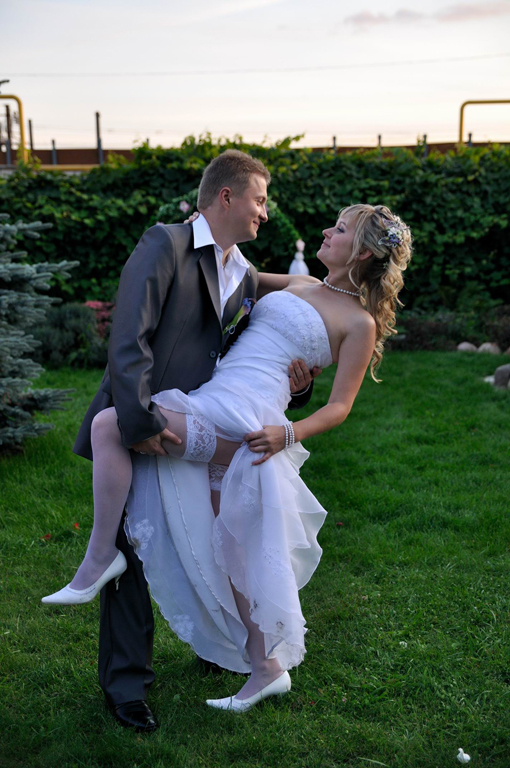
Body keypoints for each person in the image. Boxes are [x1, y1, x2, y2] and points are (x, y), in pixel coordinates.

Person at [43, 201, 412, 714]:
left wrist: (288, 433)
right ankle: (265, 667)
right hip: (219, 398)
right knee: (230, 549)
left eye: (342, 229)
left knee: (110, 424)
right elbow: (232, 275)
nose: (328, 231)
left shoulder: (359, 323)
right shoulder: (300, 283)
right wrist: (199, 224)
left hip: (245, 420)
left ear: (364, 252)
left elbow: (340, 406)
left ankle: (102, 555)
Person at [51, 149, 316, 732]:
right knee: (131, 548)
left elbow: (250, 357)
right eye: (259, 200)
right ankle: (127, 686)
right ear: (226, 196)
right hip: (144, 422)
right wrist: (139, 422)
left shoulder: (245, 275)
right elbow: (129, 339)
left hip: (201, 424)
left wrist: (298, 388)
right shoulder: (165, 243)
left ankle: (218, 648)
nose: (264, 212)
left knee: (210, 535)